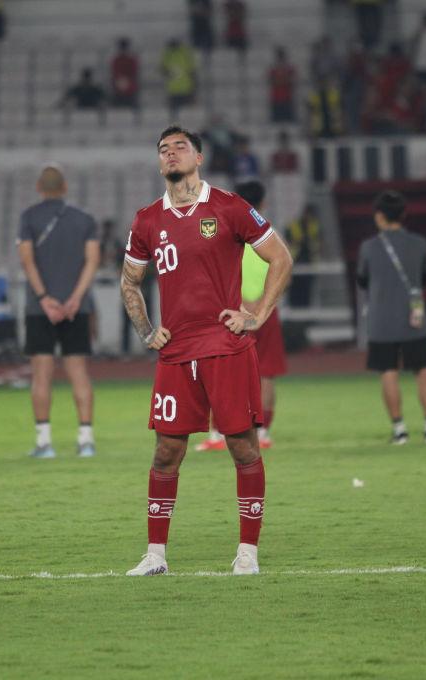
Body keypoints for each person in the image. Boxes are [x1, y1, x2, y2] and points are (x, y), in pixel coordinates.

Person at [120, 126, 292, 576]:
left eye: (180, 147)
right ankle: (155, 556)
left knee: (242, 447)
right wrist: (145, 330)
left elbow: (281, 257)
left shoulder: (230, 207)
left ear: (198, 157)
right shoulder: (146, 220)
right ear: (159, 162)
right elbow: (129, 281)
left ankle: (247, 554)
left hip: (226, 350)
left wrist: (256, 316)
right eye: (163, 149)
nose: (170, 154)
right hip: (176, 354)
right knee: (165, 453)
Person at [197, 180, 288, 451]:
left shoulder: (226, 231)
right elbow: (283, 271)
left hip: (231, 311)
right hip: (266, 310)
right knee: (266, 373)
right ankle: (263, 434)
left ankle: (217, 435)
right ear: (263, 202)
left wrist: (242, 304)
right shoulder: (270, 235)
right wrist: (261, 305)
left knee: (222, 372)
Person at [17, 165, 100, 459]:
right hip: (77, 307)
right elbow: (92, 261)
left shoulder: (28, 218)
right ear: (64, 188)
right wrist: (75, 298)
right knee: (79, 373)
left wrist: (44, 299)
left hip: (40, 309)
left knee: (42, 374)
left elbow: (27, 262)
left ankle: (44, 443)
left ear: (39, 188)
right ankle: (86, 440)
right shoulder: (85, 219)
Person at [358, 190, 426, 444]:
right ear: (404, 214)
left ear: (379, 216)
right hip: (414, 318)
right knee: (423, 371)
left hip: (382, 321)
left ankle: (399, 429)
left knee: (388, 372)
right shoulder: (420, 243)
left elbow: (363, 280)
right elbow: (425, 276)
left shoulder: (369, 247)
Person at [110, 38, 140, 110]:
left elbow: (134, 73)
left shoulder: (131, 60)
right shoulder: (116, 60)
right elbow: (114, 73)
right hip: (119, 86)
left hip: (129, 86)